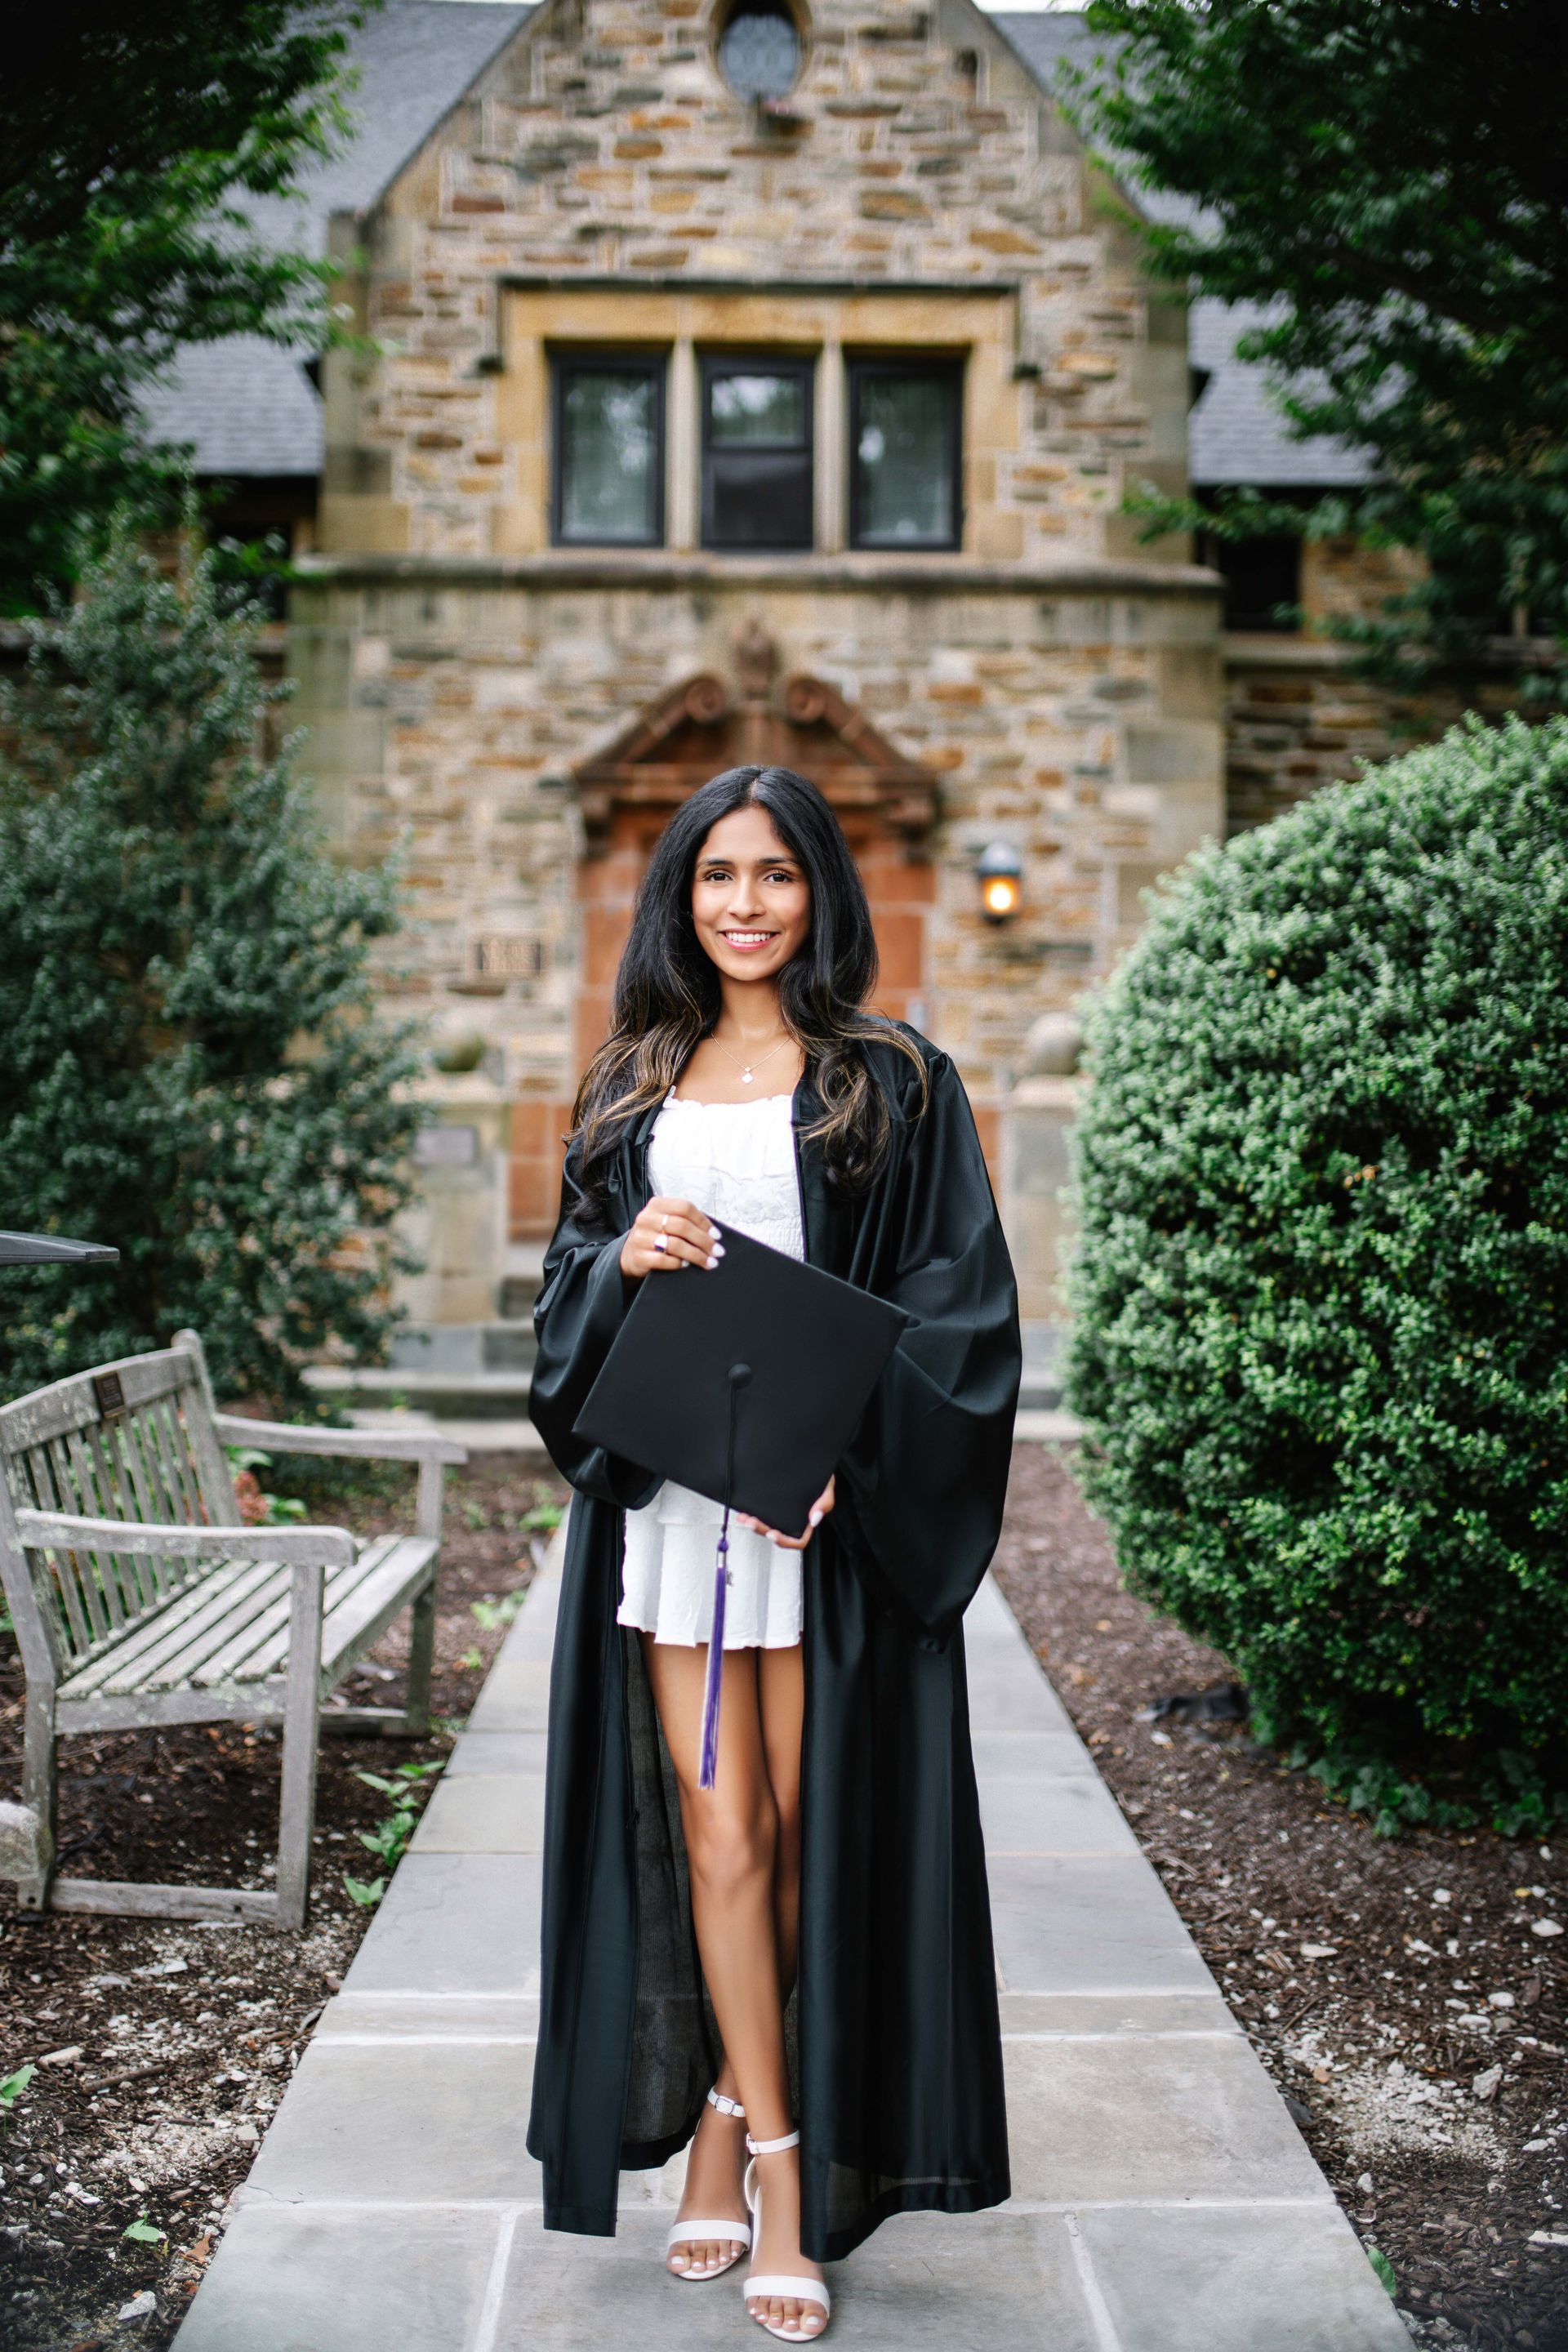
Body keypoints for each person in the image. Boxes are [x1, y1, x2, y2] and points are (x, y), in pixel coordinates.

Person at [527, 762, 1021, 2343]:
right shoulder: (629, 1090)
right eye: (717, 875)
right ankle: (783, 2177)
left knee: (804, 1849)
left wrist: (845, 1462)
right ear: (681, 895)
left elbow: (962, 1314)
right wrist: (627, 1258)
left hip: (821, 1524)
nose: (745, 903)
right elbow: (563, 1313)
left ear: (823, 892)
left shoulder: (892, 1081)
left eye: (777, 874)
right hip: (678, 1520)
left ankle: (737, 2135)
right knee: (723, 1840)